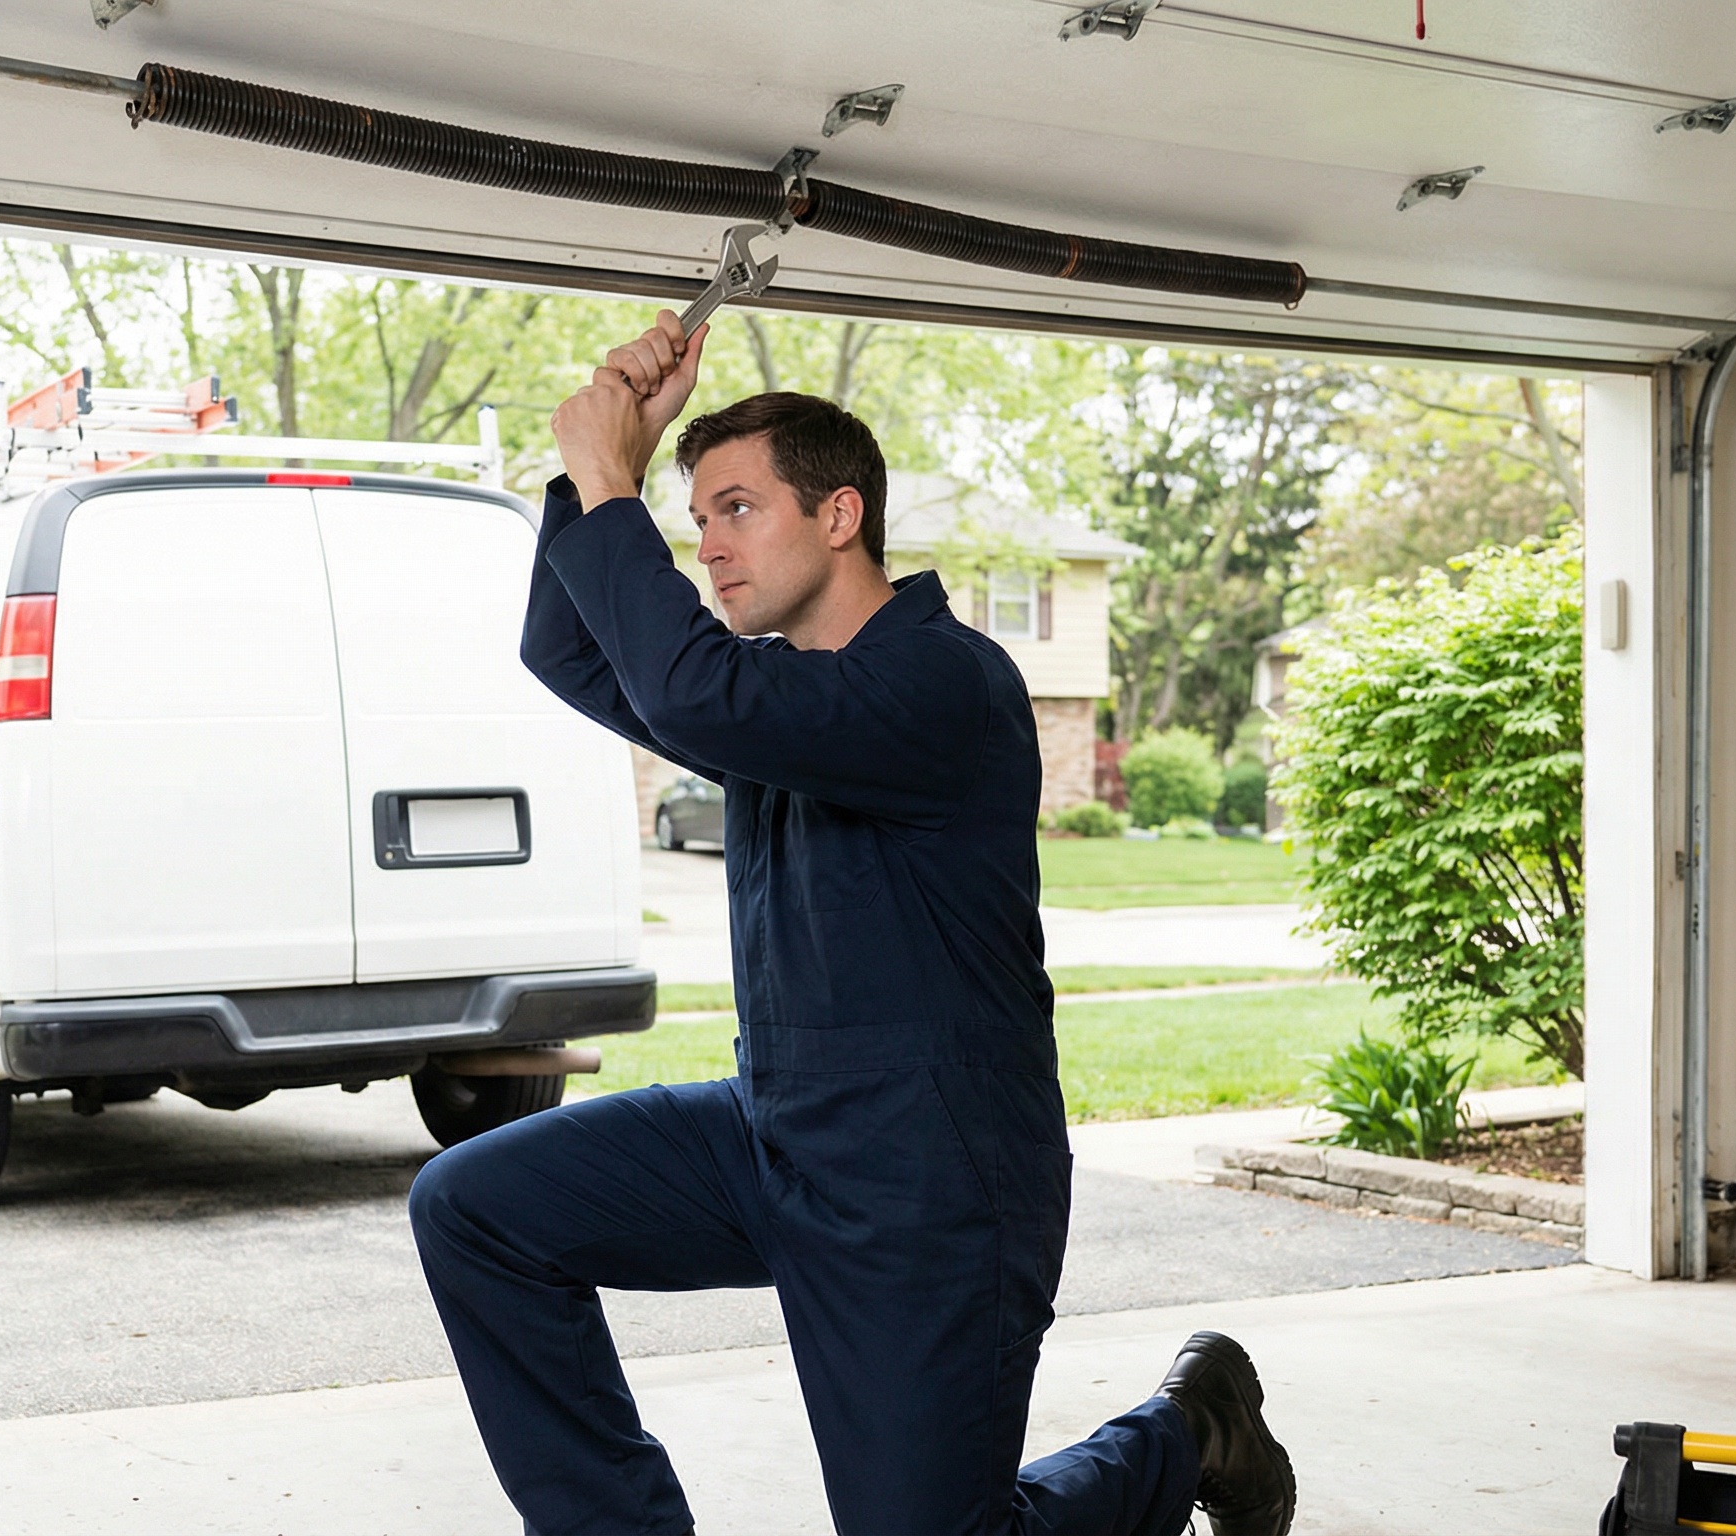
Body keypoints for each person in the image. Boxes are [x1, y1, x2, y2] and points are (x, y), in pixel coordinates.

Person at [406, 311, 1297, 1536]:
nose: (709, 546)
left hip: (932, 1174)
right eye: (696, 516)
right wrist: (591, 471)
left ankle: (1188, 1430)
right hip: (772, 1132)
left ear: (839, 515)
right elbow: (566, 649)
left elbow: (685, 684)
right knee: (473, 1207)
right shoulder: (768, 701)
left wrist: (617, 477)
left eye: (737, 509)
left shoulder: (942, 681)